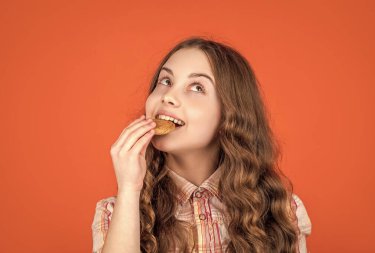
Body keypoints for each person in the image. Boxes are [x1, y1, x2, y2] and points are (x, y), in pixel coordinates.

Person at [91, 36, 312, 253]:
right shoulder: (116, 213)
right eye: (166, 81)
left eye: (197, 87)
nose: (168, 96)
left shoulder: (283, 213)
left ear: (229, 114)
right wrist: (129, 188)